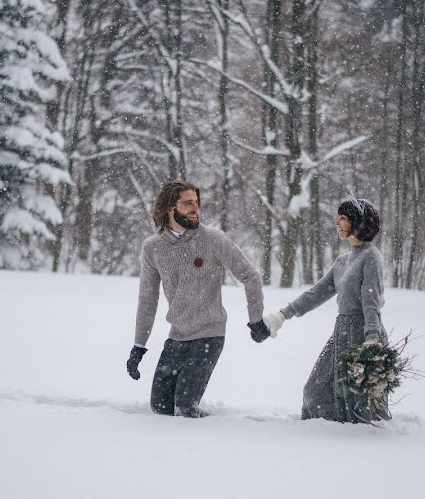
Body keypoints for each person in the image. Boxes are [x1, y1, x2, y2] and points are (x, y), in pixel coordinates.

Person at [126, 180, 270, 418]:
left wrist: (256, 320)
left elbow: (251, 276)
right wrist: (138, 346)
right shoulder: (152, 248)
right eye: (188, 203)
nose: (196, 208)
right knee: (160, 408)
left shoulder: (213, 239)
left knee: (185, 409)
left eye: (197, 202)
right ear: (170, 208)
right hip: (177, 337)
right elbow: (147, 299)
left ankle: (217, 437)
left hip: (209, 335)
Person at [263, 198, 390, 423]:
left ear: (357, 222)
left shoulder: (371, 257)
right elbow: (317, 293)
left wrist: (372, 341)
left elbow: (372, 302)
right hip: (341, 332)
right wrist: (283, 314)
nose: (336, 221)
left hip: (362, 332)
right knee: (315, 392)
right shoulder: (343, 261)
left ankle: (359, 442)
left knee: (357, 400)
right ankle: (326, 432)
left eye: (342, 218)